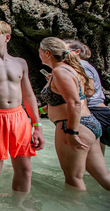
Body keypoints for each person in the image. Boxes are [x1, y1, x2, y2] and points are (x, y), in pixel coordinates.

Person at [0, 21, 44, 197]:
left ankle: (20, 206)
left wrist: (37, 126)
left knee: (25, 169)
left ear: (7, 37)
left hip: (19, 117)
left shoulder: (21, 63)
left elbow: (28, 96)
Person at [39, 37, 110, 190]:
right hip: (89, 124)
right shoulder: (70, 69)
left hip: (72, 125)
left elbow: (75, 102)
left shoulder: (60, 71)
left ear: (47, 53)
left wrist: (72, 132)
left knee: (73, 179)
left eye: (40, 51)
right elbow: (84, 95)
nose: (38, 54)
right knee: (104, 177)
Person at [65, 39, 110, 154]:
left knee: (92, 156)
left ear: (77, 52)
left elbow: (90, 90)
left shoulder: (82, 66)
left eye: (65, 51)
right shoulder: (81, 66)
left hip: (95, 111)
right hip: (97, 111)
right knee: (97, 157)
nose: (61, 54)